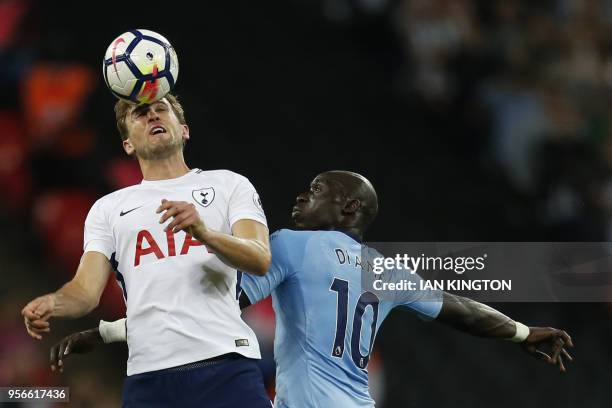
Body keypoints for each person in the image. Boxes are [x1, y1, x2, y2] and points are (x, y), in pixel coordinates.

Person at [48, 171, 573, 408]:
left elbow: (206, 310)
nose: (303, 194)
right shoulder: (386, 270)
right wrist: (523, 332)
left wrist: (112, 330)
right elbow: (461, 310)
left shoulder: (292, 246)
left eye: (319, 189)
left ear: (348, 209)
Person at [21, 94, 273, 407]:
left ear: (184, 130)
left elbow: (259, 258)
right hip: (150, 376)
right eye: (140, 114)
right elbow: (85, 291)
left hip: (226, 365)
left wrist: (204, 233)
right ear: (128, 144)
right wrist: (53, 301)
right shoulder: (109, 208)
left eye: (160, 109)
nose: (152, 116)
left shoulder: (230, 185)